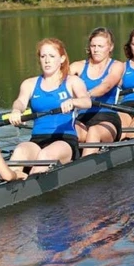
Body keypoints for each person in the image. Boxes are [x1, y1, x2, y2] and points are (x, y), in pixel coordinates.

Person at [8, 38, 92, 177]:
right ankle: (12, 184)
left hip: (64, 141)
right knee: (20, 151)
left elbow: (86, 101)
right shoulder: (29, 83)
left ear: (62, 59)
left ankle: (30, 185)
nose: (47, 60)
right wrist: (16, 111)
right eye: (43, 56)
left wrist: (73, 102)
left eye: (52, 56)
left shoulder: (72, 81)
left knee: (45, 155)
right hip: (37, 140)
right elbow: (20, 102)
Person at [69, 27, 124, 157]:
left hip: (107, 118)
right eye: (93, 45)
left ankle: (82, 168)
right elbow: (59, 84)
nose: (96, 49)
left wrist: (86, 95)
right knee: (67, 130)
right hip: (82, 118)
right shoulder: (77, 66)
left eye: (100, 46)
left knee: (94, 131)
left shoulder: (117, 66)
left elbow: (106, 85)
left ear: (110, 47)